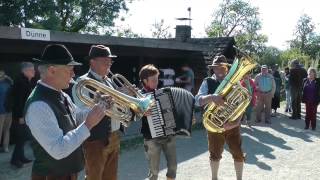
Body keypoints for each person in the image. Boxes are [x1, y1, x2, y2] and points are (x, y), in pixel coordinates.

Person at [25, 44, 108, 180]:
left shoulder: (62, 95)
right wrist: (88, 124)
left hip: (67, 173)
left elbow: (77, 117)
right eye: (70, 69)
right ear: (52, 71)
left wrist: (98, 107)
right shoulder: (38, 105)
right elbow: (58, 149)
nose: (73, 74)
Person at [72, 45, 121, 180]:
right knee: (94, 176)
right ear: (92, 61)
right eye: (105, 60)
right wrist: (100, 105)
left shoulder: (109, 81)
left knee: (111, 176)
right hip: (95, 140)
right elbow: (80, 114)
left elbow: (118, 107)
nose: (109, 63)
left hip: (114, 136)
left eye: (110, 60)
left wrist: (127, 98)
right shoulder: (82, 83)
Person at [195, 55, 244, 180]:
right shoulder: (207, 81)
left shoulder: (235, 81)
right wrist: (212, 97)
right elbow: (197, 100)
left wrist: (236, 123)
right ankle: (214, 178)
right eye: (216, 68)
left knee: (238, 153)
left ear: (227, 68)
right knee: (215, 155)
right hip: (214, 125)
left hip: (232, 124)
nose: (219, 70)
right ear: (213, 69)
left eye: (222, 67)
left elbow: (243, 104)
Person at [139, 64, 177, 180]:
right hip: (151, 138)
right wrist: (141, 112)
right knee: (154, 171)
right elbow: (131, 114)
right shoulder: (139, 96)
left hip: (168, 134)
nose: (156, 82)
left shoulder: (163, 93)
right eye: (153, 80)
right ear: (145, 81)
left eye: (157, 79)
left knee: (173, 167)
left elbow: (173, 111)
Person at [10, 62, 36, 168]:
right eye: (32, 69)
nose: (34, 71)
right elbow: (18, 101)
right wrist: (20, 116)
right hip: (20, 115)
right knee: (21, 137)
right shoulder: (20, 82)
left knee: (23, 138)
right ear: (25, 71)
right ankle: (15, 160)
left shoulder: (26, 81)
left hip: (25, 114)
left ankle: (21, 157)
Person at [0, 70, 13, 153]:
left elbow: (14, 85)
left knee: (7, 129)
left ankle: (5, 147)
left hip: (8, 109)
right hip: (1, 110)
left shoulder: (8, 84)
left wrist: (9, 78)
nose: (1, 76)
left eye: (2, 74)